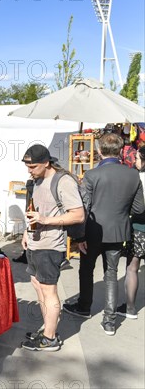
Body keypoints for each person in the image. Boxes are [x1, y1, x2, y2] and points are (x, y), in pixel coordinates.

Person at [63, 134, 144, 336]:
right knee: (111, 274)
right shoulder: (133, 175)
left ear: (99, 151)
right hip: (118, 231)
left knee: (86, 270)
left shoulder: (91, 175)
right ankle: (109, 321)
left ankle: (84, 306)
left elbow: (83, 207)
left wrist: (79, 237)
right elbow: (139, 207)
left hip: (92, 231)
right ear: (120, 151)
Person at [20, 144, 84, 351]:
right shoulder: (36, 180)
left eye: (33, 166)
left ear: (46, 163)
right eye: (27, 166)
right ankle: (49, 328)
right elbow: (33, 210)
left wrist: (46, 219)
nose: (29, 170)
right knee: (38, 285)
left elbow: (78, 214)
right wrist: (25, 233)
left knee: (49, 290)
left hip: (50, 246)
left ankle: (49, 338)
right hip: (34, 243)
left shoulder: (63, 181)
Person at [117, 146, 145, 319]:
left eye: (137, 158)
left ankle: (130, 307)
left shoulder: (137, 178)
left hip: (139, 228)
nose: (135, 161)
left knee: (132, 268)